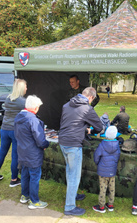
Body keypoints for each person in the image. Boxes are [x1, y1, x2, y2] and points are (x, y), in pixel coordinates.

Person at [59, 87, 103, 216]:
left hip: (63, 142)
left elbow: (70, 123)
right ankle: (69, 207)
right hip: (73, 144)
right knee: (74, 175)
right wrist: (91, 131)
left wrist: (83, 128)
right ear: (91, 97)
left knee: (69, 171)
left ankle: (72, 195)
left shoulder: (66, 105)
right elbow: (99, 127)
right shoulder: (87, 109)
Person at [14, 95, 49, 209]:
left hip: (22, 152)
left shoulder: (18, 117)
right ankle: (34, 201)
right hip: (33, 154)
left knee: (24, 174)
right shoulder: (33, 120)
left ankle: (25, 196)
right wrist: (45, 144)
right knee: (34, 177)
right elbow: (40, 139)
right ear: (35, 107)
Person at [0, 79, 27, 187]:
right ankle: (14, 179)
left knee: (2, 152)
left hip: (4, 129)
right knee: (15, 156)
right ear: (21, 88)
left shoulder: (7, 98)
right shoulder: (23, 101)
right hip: (15, 131)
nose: (27, 88)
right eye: (25, 86)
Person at [92, 126, 120, 213]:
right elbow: (118, 157)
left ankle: (101, 207)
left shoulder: (102, 145)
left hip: (103, 171)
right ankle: (110, 205)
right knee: (112, 188)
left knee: (103, 189)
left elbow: (96, 156)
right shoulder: (117, 145)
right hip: (112, 170)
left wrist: (98, 164)